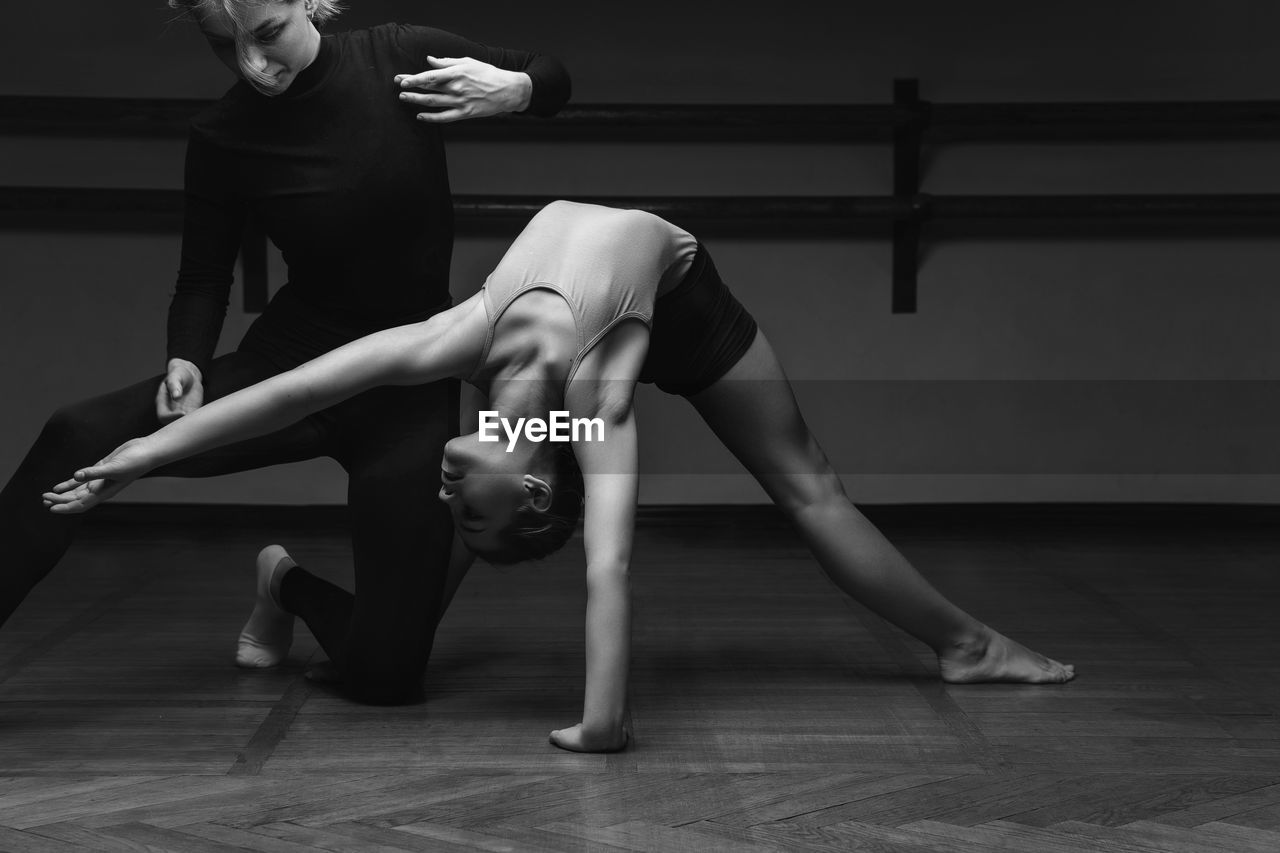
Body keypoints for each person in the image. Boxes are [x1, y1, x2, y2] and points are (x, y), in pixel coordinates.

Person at [47, 201, 1075, 753]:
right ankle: (308, 598)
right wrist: (602, 720)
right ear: (532, 485)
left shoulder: (471, 348)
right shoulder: (575, 407)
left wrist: (144, 455)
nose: (442, 491)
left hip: (674, 310)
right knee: (391, 652)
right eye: (471, 506)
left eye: (455, 505)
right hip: (635, 327)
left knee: (806, 486)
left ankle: (969, 644)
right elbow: (606, 569)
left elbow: (297, 387)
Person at [2, 0, 570, 704]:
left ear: (310, 3)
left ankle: (283, 581)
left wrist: (517, 90)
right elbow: (204, 277)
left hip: (403, 395)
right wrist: (186, 356)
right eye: (223, 47)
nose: (253, 64)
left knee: (386, 676)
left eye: (268, 34)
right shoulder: (221, 135)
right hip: (285, 368)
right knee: (76, 434)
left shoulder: (399, 55)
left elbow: (553, 78)